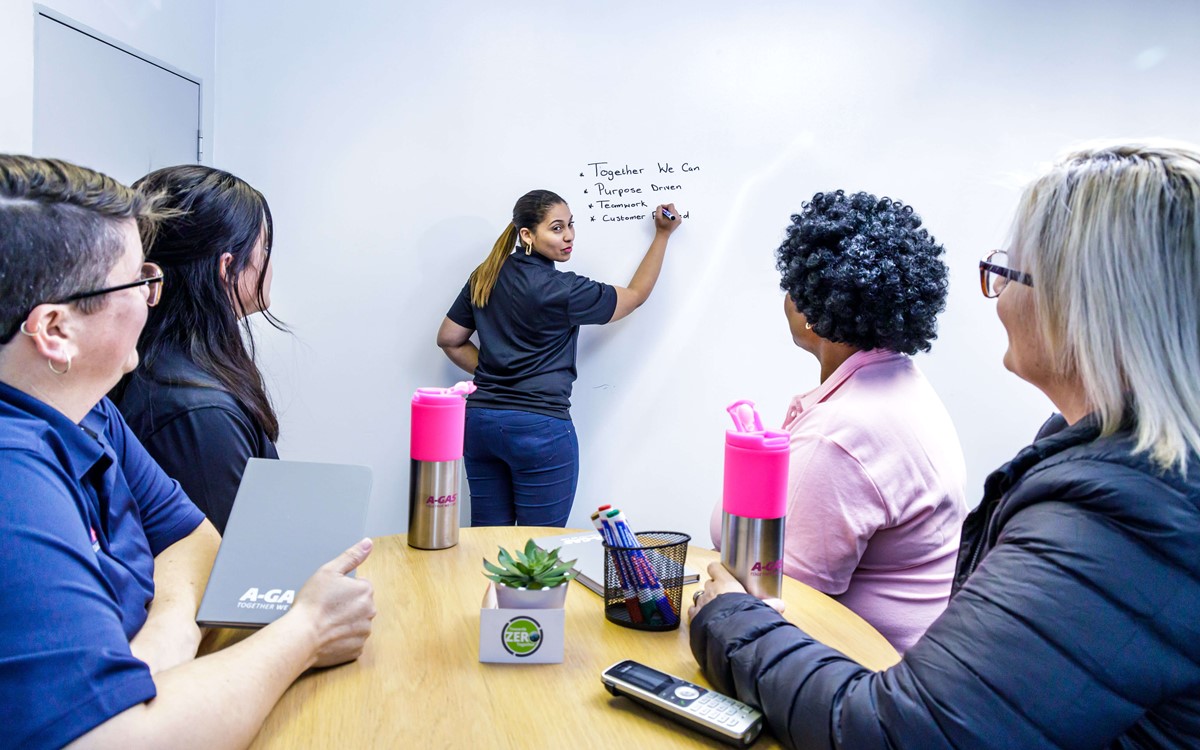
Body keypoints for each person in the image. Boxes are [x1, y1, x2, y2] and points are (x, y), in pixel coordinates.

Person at [689, 142, 1200, 748]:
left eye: (1008, 271)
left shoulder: (1120, 516)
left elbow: (903, 730)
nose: (998, 294)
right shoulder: (1099, 462)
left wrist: (728, 619)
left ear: (1083, 307)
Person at [0, 155, 376, 749]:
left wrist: (154, 656)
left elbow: (195, 540)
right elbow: (112, 739)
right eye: (137, 281)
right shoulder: (13, 481)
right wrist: (307, 630)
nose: (153, 297)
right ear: (55, 330)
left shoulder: (89, 410)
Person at [709, 190, 967, 653]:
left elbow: (772, 598)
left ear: (811, 311)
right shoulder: (901, 382)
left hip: (854, 668)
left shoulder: (842, 433)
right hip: (900, 658)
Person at [438, 190, 681, 527]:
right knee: (540, 549)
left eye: (570, 225)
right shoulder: (562, 289)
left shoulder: (486, 274)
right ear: (527, 235)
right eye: (556, 228)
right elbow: (635, 296)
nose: (568, 236)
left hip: (481, 425)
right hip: (539, 430)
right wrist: (662, 235)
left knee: (488, 542)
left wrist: (495, 373)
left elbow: (449, 339)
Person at [113, 165, 282, 534]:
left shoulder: (166, 369)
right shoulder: (198, 415)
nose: (271, 261)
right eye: (265, 247)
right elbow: (225, 559)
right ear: (227, 267)